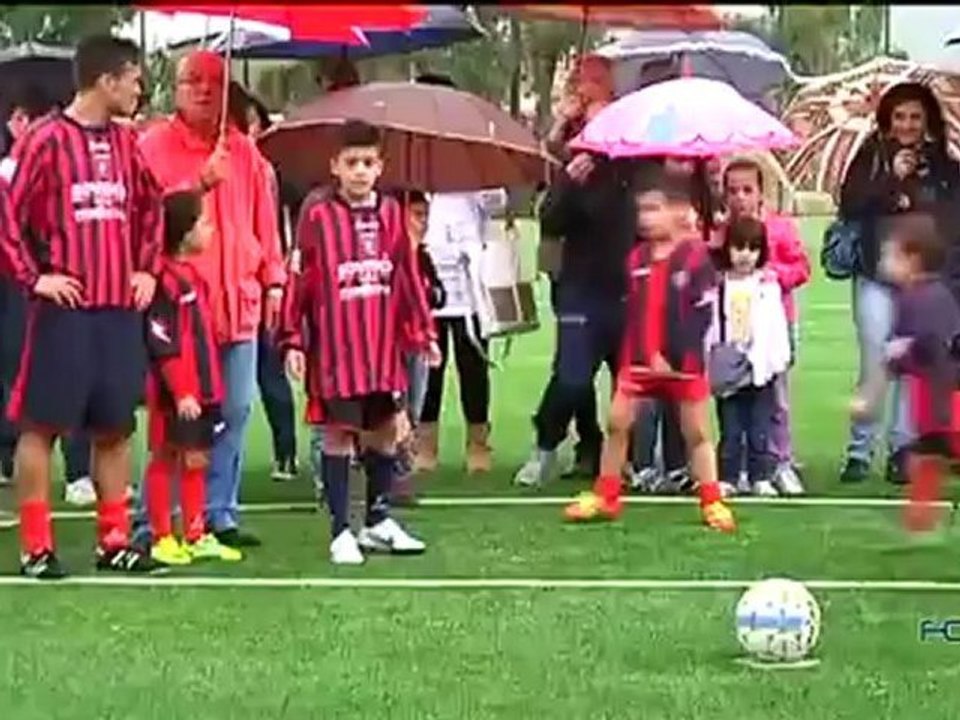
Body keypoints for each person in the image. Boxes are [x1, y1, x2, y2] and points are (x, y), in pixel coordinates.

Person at [0, 35, 165, 578]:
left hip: (118, 308)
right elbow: (8, 216)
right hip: (63, 311)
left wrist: (146, 268)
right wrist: (34, 277)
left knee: (115, 427)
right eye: (134, 78)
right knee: (42, 425)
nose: (140, 89)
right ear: (106, 80)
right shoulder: (45, 140)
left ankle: (113, 539)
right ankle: (36, 546)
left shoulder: (126, 144)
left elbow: (151, 209)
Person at [139, 51, 286, 549]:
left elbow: (265, 223)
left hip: (239, 300)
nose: (203, 90)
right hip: (181, 307)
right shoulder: (153, 146)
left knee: (236, 409)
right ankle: (155, 519)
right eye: (192, 81)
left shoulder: (244, 151)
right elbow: (145, 219)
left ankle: (217, 514)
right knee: (173, 418)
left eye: (214, 82)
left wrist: (275, 280)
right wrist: (198, 181)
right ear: (175, 88)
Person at [279, 120, 440, 565]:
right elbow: (301, 279)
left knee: (385, 430)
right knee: (338, 434)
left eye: (368, 163)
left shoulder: (391, 212)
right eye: (351, 163)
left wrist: (422, 331)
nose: (360, 172)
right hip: (335, 351)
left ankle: (377, 519)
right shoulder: (316, 214)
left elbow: (406, 276)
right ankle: (339, 531)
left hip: (380, 349)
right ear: (335, 166)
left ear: (380, 166)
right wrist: (292, 337)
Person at [563, 164, 735, 533]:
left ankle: (711, 499)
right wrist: (639, 353)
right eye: (641, 210)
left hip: (682, 365)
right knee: (617, 422)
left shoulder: (695, 258)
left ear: (679, 211)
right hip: (639, 361)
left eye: (654, 209)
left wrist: (674, 355)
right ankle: (607, 495)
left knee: (697, 433)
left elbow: (700, 317)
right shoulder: (637, 259)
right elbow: (637, 310)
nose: (645, 218)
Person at [515, 56, 634, 488]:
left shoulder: (630, 160)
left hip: (625, 286)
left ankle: (621, 458)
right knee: (571, 374)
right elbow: (549, 216)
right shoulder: (570, 155)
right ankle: (546, 447)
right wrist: (569, 177)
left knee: (630, 379)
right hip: (578, 283)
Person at [838, 82, 960, 486]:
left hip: (924, 280)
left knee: (915, 362)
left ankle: (902, 450)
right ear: (888, 121)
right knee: (875, 357)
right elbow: (850, 204)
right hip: (877, 273)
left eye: (915, 117)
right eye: (900, 117)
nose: (907, 124)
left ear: (927, 122)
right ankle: (859, 451)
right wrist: (891, 178)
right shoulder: (871, 159)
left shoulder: (945, 166)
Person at [0, 84, 94, 502]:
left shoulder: (61, 165)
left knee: (66, 380)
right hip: (20, 287)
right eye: (22, 119)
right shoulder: (9, 171)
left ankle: (78, 472)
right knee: (22, 388)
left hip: (42, 290)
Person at [144, 191, 242, 565]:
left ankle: (196, 532)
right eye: (205, 222)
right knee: (166, 458)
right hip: (177, 393)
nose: (211, 229)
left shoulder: (193, 278)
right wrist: (181, 389)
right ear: (184, 232)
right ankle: (161, 536)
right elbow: (162, 339)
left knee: (197, 459)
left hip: (203, 389)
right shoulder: (164, 281)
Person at [411, 73, 500, 476]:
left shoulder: (473, 156)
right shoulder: (409, 158)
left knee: (472, 364)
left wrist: (481, 172)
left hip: (469, 284)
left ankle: (478, 440)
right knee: (428, 363)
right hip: (425, 278)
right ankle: (424, 443)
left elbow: (498, 203)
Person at [850, 214, 960, 532]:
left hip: (945, 404)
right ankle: (920, 523)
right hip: (934, 404)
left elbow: (927, 349)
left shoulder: (923, 300)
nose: (883, 261)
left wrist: (870, 399)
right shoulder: (921, 297)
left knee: (929, 455)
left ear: (911, 258)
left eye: (889, 254)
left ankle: (920, 521)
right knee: (926, 458)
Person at [722, 157, 810, 494]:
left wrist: (778, 274)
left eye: (747, 190)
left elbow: (801, 267)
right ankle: (741, 464)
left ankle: (780, 462)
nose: (740, 198)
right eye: (732, 191)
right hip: (735, 331)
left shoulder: (780, 227)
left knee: (775, 397)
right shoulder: (721, 232)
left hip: (775, 325)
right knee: (735, 397)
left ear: (761, 192)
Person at [228, 82, 302, 482]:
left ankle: (286, 451)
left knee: (270, 374)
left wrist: (279, 274)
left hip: (267, 282)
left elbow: (288, 217)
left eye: (256, 124)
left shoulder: (274, 170)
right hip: (230, 283)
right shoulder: (223, 164)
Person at [707, 217, 791, 497]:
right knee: (730, 429)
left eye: (753, 248)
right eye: (739, 247)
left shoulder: (767, 286)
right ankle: (729, 476)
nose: (745, 255)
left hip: (760, 369)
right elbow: (711, 327)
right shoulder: (718, 287)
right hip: (729, 368)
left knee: (760, 428)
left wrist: (778, 361)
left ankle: (760, 476)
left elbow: (776, 327)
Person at [394, 190, 445, 503]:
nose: (422, 222)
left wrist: (431, 294)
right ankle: (392, 475)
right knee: (393, 408)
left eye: (425, 215)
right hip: (394, 343)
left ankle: (403, 469)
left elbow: (438, 294)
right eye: (416, 214)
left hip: (419, 342)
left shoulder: (422, 256)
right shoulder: (393, 257)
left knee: (413, 407)